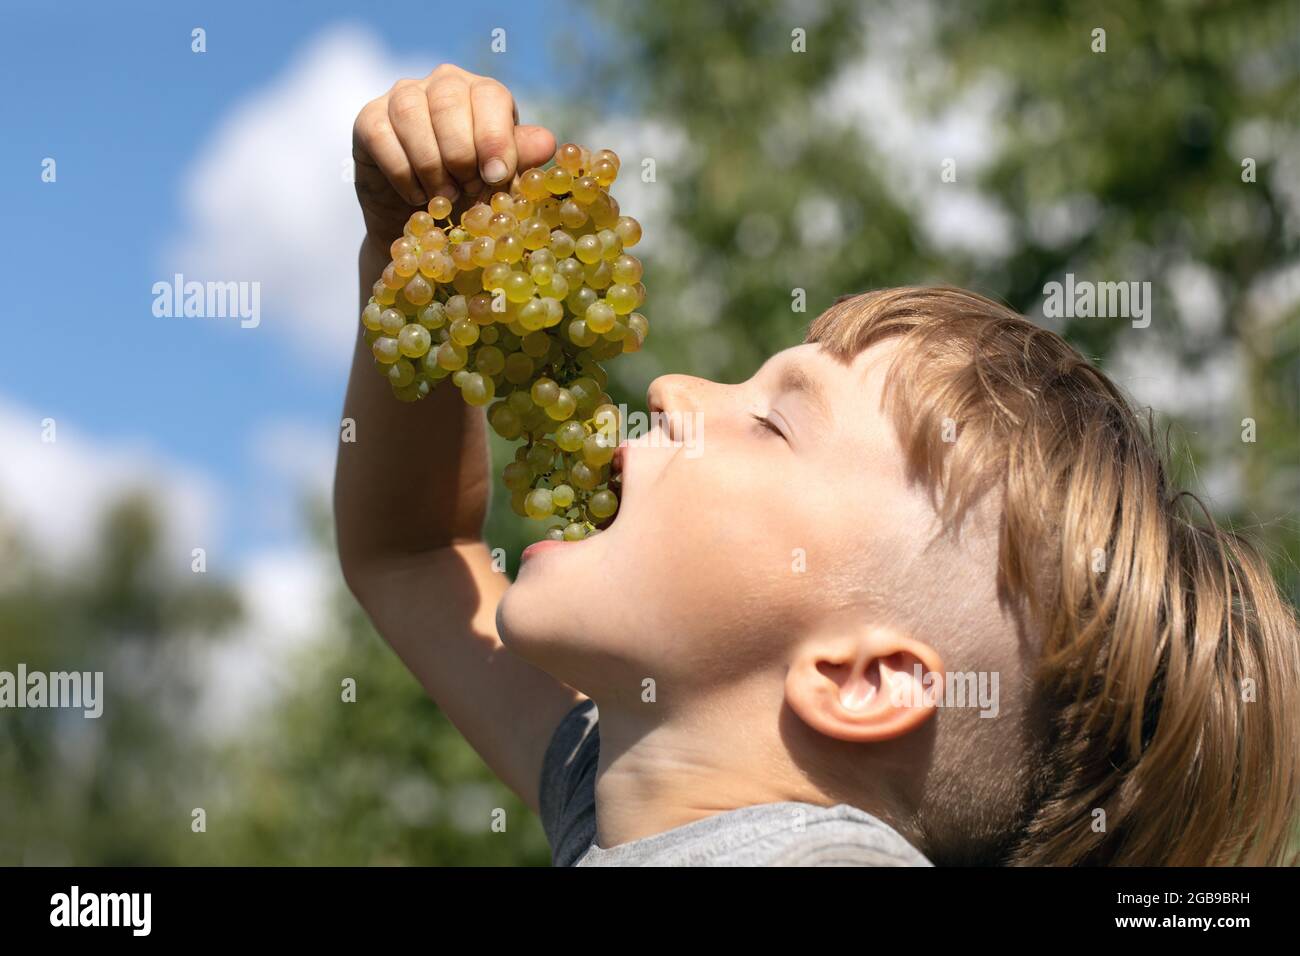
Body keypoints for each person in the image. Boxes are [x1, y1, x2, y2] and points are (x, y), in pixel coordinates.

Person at [335, 64, 1300, 866]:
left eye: (772, 424)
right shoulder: (607, 788)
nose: (671, 387)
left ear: (863, 680)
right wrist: (414, 258)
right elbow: (414, 553)